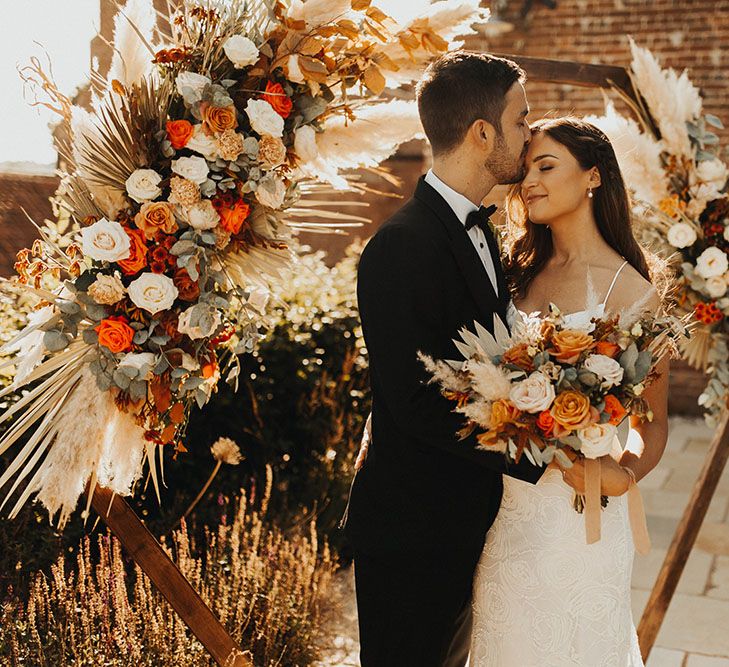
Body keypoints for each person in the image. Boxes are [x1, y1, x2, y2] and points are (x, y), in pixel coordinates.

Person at [346, 51, 544, 667]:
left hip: (460, 520)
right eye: (520, 120)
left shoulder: (480, 228)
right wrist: (536, 447)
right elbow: (411, 403)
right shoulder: (401, 245)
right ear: (482, 132)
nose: (529, 134)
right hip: (412, 532)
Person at [468, 117, 669, 666]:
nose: (528, 180)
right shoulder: (511, 277)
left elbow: (654, 422)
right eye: (526, 168)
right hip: (507, 511)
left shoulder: (633, 291)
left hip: (583, 519)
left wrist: (623, 473)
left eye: (546, 166)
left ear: (593, 177)